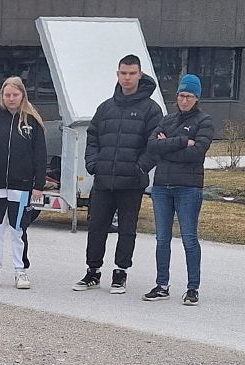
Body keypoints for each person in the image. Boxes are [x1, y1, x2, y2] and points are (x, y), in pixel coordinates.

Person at [72, 54, 163, 294]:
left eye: (132, 73)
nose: (127, 78)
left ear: (139, 75)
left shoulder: (151, 110)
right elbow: (93, 137)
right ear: (117, 75)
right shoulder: (105, 108)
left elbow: (154, 146)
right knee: (96, 227)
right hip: (103, 181)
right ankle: (92, 272)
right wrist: (94, 164)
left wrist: (140, 168)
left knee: (126, 229)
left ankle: (120, 272)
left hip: (131, 183)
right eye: (123, 73)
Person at [143, 74, 214, 306]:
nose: (184, 100)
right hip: (162, 186)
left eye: (189, 96)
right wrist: (183, 140)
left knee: (189, 239)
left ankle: (193, 287)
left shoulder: (204, 121)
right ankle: (162, 284)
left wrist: (168, 144)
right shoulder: (167, 120)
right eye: (181, 95)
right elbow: (153, 145)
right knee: (162, 238)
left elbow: (197, 152)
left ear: (197, 98)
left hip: (188, 187)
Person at [0, 76, 47, 290]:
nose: (11, 98)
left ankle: (20, 271)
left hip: (21, 186)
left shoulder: (31, 122)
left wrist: (38, 184)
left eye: (15, 95)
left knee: (18, 230)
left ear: (22, 95)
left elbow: (40, 155)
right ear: (2, 96)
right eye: (7, 95)